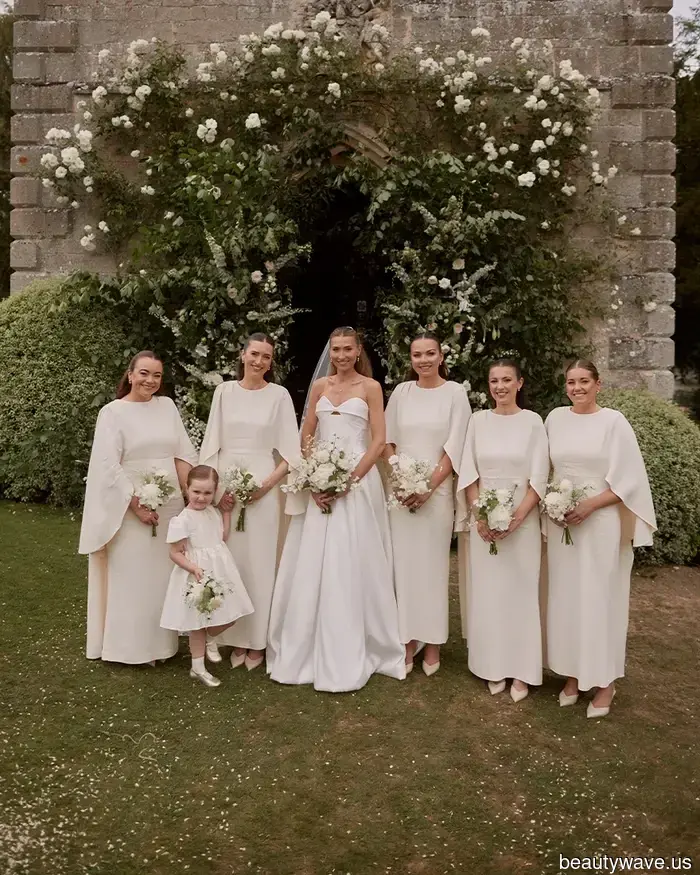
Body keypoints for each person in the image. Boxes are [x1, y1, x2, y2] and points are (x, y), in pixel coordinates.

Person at [267, 326, 406, 692]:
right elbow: (307, 434)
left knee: (353, 556)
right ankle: (305, 644)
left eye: (347, 349)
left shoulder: (371, 388)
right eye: (336, 349)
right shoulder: (319, 387)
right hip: (321, 483)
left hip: (357, 482)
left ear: (358, 351)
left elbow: (379, 439)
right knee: (314, 557)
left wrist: (351, 479)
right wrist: (314, 478)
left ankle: (359, 640)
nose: (341, 355)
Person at [545, 359, 656, 718]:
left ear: (598, 384)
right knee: (567, 598)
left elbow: (629, 480)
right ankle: (573, 674)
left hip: (600, 521)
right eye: (571, 382)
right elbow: (547, 469)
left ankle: (605, 681)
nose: (577, 388)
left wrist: (589, 505)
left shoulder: (614, 422)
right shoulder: (554, 419)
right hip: (564, 524)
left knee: (599, 598)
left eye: (584, 381)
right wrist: (553, 504)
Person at [79, 350, 198, 665]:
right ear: (130, 375)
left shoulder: (167, 406)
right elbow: (108, 465)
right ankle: (131, 649)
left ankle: (161, 646)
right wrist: (136, 505)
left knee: (163, 574)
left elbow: (183, 453)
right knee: (133, 575)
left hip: (169, 507)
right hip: (129, 505)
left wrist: (190, 496)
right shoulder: (112, 413)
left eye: (157, 375)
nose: (150, 380)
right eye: (144, 373)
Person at [199, 333, 301, 671]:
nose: (259, 361)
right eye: (254, 354)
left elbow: (290, 453)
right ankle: (230, 636)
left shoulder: (279, 396)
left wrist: (265, 486)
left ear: (271, 362)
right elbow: (212, 443)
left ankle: (256, 641)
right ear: (243, 355)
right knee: (228, 562)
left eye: (266, 357)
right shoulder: (224, 392)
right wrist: (216, 493)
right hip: (226, 486)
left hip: (263, 486)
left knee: (259, 563)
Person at [457, 360, 549, 702]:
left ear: (519, 383)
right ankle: (492, 665)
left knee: (521, 594)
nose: (500, 386)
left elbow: (539, 476)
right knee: (489, 594)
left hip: (522, 522)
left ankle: (523, 670)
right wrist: (480, 515)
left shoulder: (533, 422)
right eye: (494, 380)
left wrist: (518, 517)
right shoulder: (478, 421)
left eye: (507, 379)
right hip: (484, 523)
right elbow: (469, 472)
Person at [383, 332, 471, 676]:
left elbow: (455, 445)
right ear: (411, 359)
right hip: (401, 494)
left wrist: (428, 486)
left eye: (430, 353)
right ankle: (406, 639)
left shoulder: (455, 393)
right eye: (417, 354)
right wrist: (401, 479)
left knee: (433, 568)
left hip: (437, 494)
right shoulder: (401, 393)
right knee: (403, 568)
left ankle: (433, 642)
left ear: (441, 356)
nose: (423, 360)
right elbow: (387, 441)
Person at [161, 465, 255, 687]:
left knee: (232, 613)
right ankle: (198, 667)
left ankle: (210, 639)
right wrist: (193, 568)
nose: (201, 498)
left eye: (207, 493)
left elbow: (222, 536)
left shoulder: (212, 512)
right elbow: (174, 553)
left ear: (214, 492)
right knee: (197, 624)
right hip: (197, 574)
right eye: (196, 492)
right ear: (187, 489)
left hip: (220, 571)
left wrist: (226, 513)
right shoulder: (183, 520)